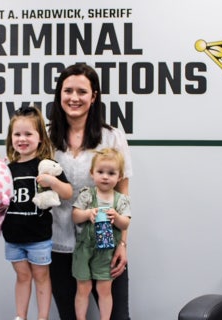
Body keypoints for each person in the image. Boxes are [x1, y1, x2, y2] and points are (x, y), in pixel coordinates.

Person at [48, 63, 133, 320]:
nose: (74, 98)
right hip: (57, 244)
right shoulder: (46, 135)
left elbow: (123, 193)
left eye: (82, 92)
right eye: (68, 90)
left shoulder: (112, 137)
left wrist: (123, 243)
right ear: (59, 94)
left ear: (94, 96)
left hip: (104, 242)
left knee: (118, 317)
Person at [0, 106, 73, 320]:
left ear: (40, 138)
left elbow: (67, 192)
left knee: (41, 276)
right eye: (17, 134)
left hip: (39, 238)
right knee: (22, 276)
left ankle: (43, 316)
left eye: (28, 134)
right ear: (11, 137)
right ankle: (20, 316)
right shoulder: (6, 170)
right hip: (13, 238)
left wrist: (53, 182)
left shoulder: (47, 166)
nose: (22, 139)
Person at [72, 148, 131, 320]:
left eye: (111, 173)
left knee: (104, 289)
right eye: (100, 172)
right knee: (83, 287)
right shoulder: (87, 196)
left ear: (119, 177)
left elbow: (126, 222)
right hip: (84, 249)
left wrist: (117, 217)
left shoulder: (120, 200)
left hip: (107, 251)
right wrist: (87, 214)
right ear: (92, 173)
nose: (105, 176)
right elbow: (75, 216)